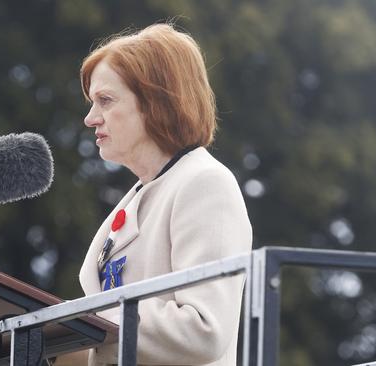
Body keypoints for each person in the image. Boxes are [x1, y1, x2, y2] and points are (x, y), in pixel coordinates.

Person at [67, 23, 253, 365]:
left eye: (105, 101)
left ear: (155, 103)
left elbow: (203, 328)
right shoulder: (141, 193)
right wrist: (41, 339)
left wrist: (86, 323)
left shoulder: (205, 183)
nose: (90, 118)